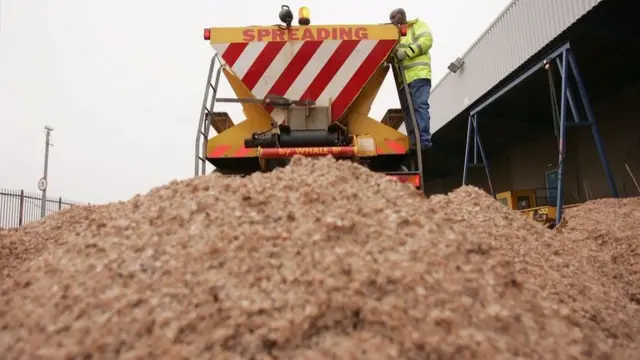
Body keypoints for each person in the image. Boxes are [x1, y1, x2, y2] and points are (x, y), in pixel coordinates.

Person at [390, 8, 433, 151]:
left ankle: (424, 139)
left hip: (418, 75)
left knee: (420, 106)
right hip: (404, 80)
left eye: (394, 18)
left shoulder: (417, 25)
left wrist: (407, 52)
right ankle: (414, 141)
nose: (393, 22)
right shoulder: (395, 33)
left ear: (402, 16)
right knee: (408, 111)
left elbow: (426, 41)